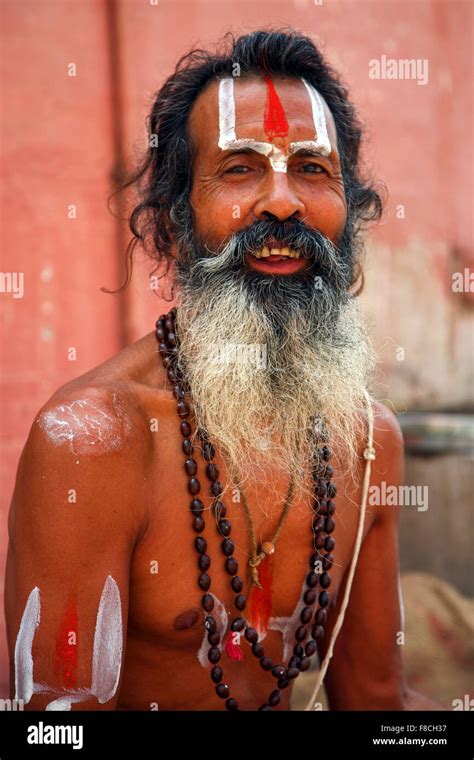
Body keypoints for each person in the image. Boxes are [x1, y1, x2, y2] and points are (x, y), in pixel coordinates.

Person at [5, 29, 444, 711]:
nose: (281, 203)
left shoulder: (367, 443)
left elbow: (377, 701)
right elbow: (55, 727)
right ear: (176, 226)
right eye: (240, 169)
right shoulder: (91, 444)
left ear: (348, 219)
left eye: (312, 170)